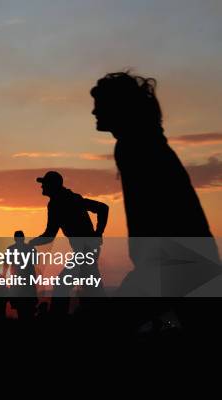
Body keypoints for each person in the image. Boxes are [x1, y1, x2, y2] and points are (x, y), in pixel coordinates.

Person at [90, 71, 220, 297]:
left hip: (175, 264)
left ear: (119, 106)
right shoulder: (142, 141)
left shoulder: (135, 145)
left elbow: (151, 211)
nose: (94, 111)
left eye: (100, 104)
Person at [28, 171, 108, 315]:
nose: (42, 187)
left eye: (44, 184)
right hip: (85, 250)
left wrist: (98, 233)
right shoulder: (61, 201)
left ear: (52, 186)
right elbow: (50, 234)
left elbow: (103, 208)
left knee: (64, 285)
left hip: (86, 251)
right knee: (91, 288)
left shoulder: (68, 200)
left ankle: (58, 318)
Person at [5, 231, 38, 321]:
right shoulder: (31, 248)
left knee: (21, 307)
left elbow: (6, 265)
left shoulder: (10, 249)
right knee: (27, 307)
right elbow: (35, 262)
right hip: (27, 280)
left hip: (18, 281)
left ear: (15, 239)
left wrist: (3, 277)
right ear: (23, 238)